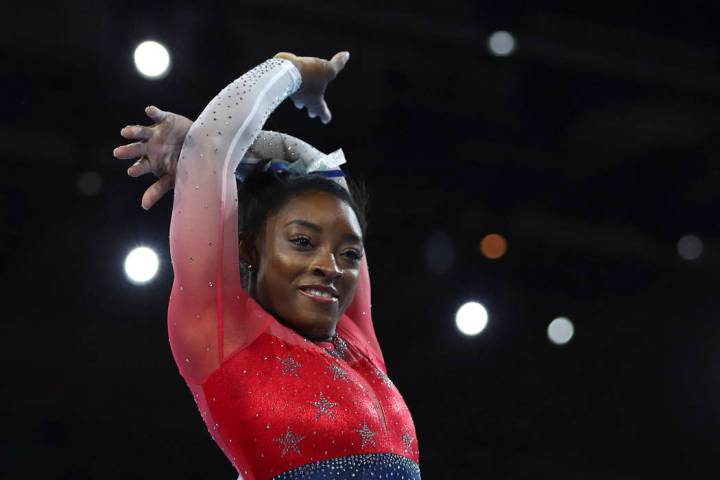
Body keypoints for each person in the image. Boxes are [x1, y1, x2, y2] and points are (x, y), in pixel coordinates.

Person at [114, 52, 420, 479]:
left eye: (349, 253)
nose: (330, 266)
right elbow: (212, 147)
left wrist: (248, 151)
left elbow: (327, 176)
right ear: (247, 250)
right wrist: (293, 69)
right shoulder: (223, 334)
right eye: (302, 242)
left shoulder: (356, 343)